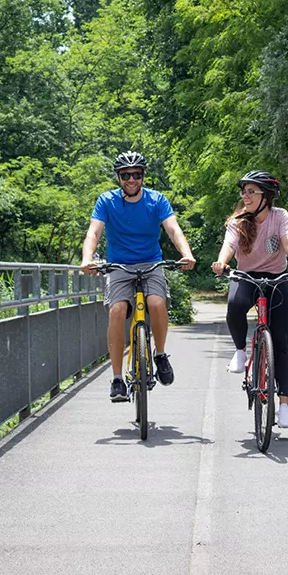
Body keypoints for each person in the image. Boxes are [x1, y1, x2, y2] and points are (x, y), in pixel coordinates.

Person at [81, 151, 196, 402]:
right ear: (118, 178)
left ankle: (161, 354)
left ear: (143, 175)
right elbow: (94, 232)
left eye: (136, 174)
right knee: (117, 310)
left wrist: (186, 254)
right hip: (118, 265)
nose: (131, 179)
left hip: (151, 263)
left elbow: (173, 229)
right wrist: (87, 259)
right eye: (125, 175)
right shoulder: (106, 201)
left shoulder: (157, 200)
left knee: (156, 303)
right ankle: (117, 379)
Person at [210, 170, 288, 428]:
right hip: (246, 275)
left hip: (277, 278)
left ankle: (285, 406)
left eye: (251, 191)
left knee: (280, 343)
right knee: (234, 306)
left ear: (266, 196)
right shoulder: (238, 221)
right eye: (243, 191)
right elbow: (230, 245)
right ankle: (240, 352)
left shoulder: (280, 217)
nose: (245, 196)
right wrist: (222, 262)